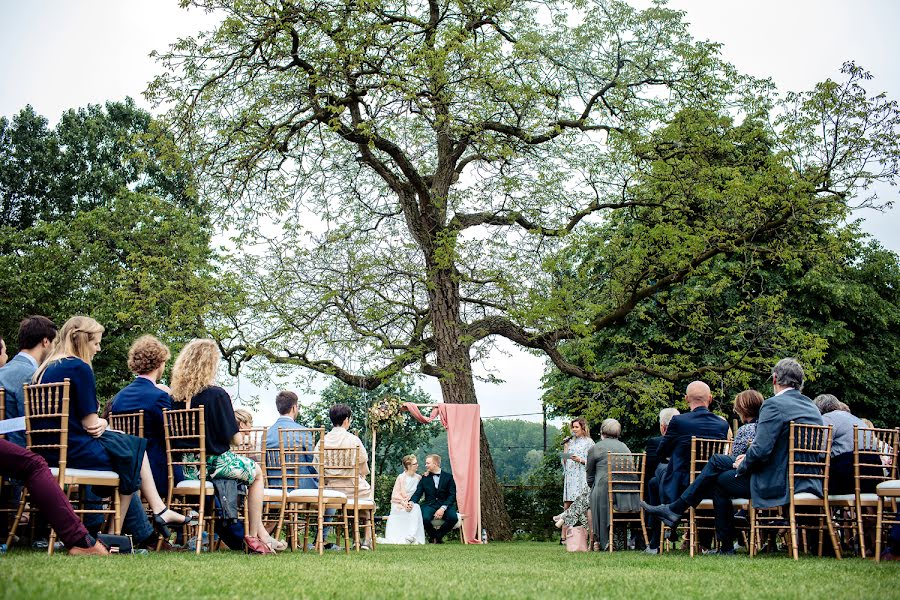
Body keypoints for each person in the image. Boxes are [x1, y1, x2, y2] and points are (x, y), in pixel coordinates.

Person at [642, 359, 825, 555]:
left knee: (719, 481)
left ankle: (697, 525)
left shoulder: (774, 405)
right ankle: (677, 511)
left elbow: (761, 451)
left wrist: (744, 462)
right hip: (809, 479)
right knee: (717, 462)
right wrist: (745, 459)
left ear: (774, 379)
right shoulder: (812, 407)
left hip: (778, 480)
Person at [32, 316, 190, 537]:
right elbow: (91, 425)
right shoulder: (79, 368)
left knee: (132, 449)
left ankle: (155, 511)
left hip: (45, 451)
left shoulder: (44, 370)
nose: (98, 348)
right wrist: (105, 422)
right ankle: (117, 532)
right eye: (96, 343)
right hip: (73, 452)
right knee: (134, 454)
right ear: (82, 341)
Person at [169, 338, 284, 554]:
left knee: (246, 472)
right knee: (257, 473)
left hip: (187, 468)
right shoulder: (217, 394)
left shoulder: (175, 398)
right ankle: (252, 535)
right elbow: (235, 439)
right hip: (214, 464)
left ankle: (262, 534)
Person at [644, 382, 728, 553]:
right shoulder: (722, 424)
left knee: (655, 479)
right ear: (710, 399)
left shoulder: (679, 421)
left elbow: (662, 451)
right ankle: (699, 542)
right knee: (655, 481)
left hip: (682, 485)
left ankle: (655, 543)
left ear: (686, 399)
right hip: (710, 486)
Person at [109, 335, 179, 499]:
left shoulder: (119, 397)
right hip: (156, 472)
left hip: (124, 468)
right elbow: (171, 437)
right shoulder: (159, 397)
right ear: (160, 363)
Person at [321, 403, 374, 548]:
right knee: (367, 494)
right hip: (351, 488)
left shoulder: (323, 440)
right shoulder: (353, 439)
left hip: (330, 489)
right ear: (346, 420)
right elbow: (363, 467)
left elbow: (317, 467)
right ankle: (366, 539)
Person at [0, 316, 57, 448]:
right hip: (20, 452)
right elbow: (33, 424)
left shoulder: (4, 371)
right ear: (45, 341)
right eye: (55, 343)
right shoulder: (32, 375)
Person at [586, 418, 639, 551]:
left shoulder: (595, 448)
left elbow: (590, 478)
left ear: (602, 431)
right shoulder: (625, 447)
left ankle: (602, 540)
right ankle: (616, 540)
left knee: (595, 493)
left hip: (606, 495)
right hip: (630, 495)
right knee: (600, 489)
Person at [814, 395, 880, 495]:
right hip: (874, 472)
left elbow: (822, 452)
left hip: (849, 475)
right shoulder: (857, 420)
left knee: (815, 483)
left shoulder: (826, 419)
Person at [410, 454, 458, 544]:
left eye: (428, 463)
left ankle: (437, 537)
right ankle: (434, 537)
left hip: (445, 504)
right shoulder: (424, 477)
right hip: (429, 504)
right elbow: (418, 493)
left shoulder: (449, 477)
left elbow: (452, 495)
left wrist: (443, 508)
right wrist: (412, 502)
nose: (425, 465)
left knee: (453, 518)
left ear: (435, 464)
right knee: (424, 518)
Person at [559, 417, 592, 542]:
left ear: (583, 428)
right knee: (567, 505)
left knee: (582, 505)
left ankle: (587, 535)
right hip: (571, 476)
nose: (574, 429)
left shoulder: (589, 442)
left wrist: (581, 460)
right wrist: (566, 447)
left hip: (582, 476)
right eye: (573, 427)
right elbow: (564, 460)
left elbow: (593, 461)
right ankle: (564, 536)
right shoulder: (571, 442)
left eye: (577, 427)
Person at [383, 454, 426, 545]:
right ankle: (409, 536)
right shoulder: (401, 478)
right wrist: (404, 504)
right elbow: (395, 495)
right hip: (399, 504)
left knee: (416, 507)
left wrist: (410, 503)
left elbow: (419, 492)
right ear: (409, 466)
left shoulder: (418, 478)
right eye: (415, 464)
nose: (417, 465)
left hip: (411, 503)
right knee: (415, 508)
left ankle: (412, 536)